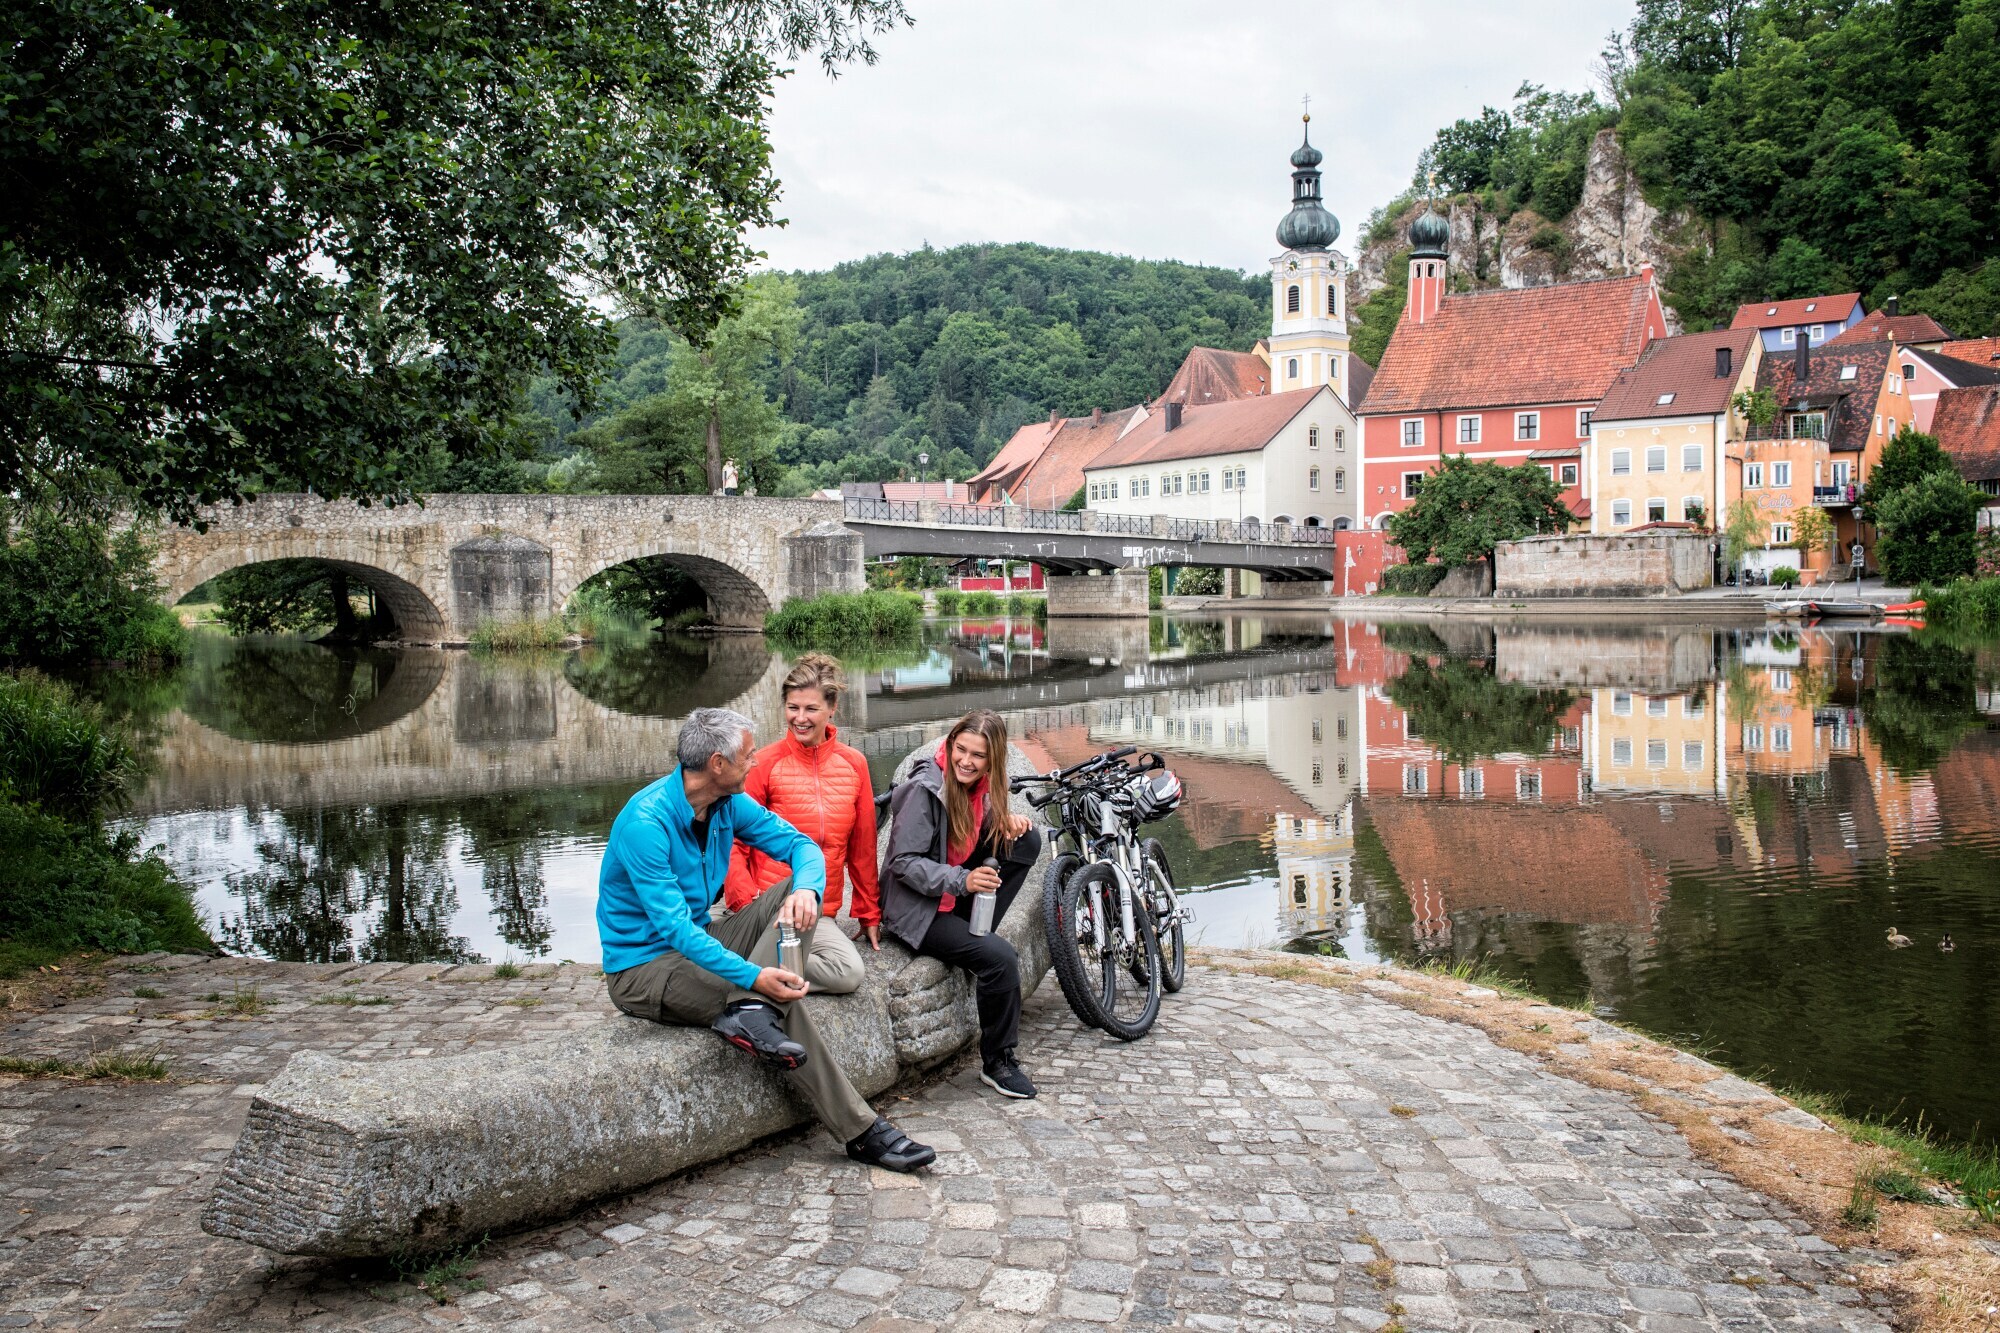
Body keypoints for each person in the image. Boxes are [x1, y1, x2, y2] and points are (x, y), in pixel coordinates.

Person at [597, 707, 933, 1172]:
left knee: (789, 896)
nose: (754, 763)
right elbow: (674, 930)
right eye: (747, 756)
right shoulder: (646, 824)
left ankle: (752, 1013)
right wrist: (756, 974)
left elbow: (803, 848)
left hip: (704, 936)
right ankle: (862, 1131)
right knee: (775, 999)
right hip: (644, 967)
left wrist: (807, 889)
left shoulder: (726, 805)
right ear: (718, 764)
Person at [881, 709, 1043, 1099]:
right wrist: (964, 880)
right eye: (961, 750)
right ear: (950, 744)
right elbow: (903, 863)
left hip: (950, 896)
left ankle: (975, 932)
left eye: (978, 755)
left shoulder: (981, 784)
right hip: (917, 910)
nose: (966, 761)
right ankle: (998, 1062)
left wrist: (1002, 824)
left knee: (1026, 840)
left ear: (993, 759)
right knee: (1000, 959)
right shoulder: (925, 789)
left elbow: (963, 835)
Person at [724, 653, 879, 993]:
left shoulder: (854, 765)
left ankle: (740, 964)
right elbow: (733, 844)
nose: (800, 718)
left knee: (848, 973)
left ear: (832, 707)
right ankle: (749, 957)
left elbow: (863, 846)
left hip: (818, 913)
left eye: (811, 709)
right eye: (793, 708)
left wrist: (869, 913)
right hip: (767, 906)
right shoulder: (763, 763)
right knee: (838, 970)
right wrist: (746, 906)